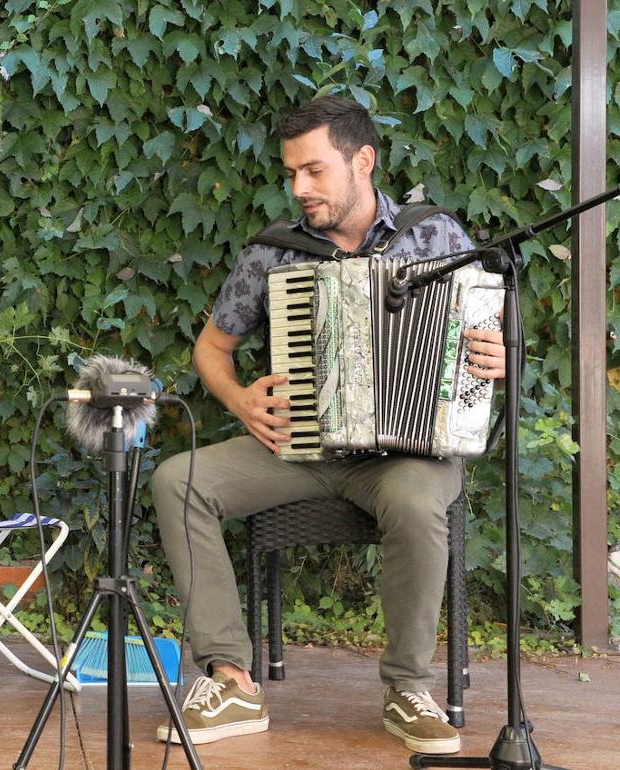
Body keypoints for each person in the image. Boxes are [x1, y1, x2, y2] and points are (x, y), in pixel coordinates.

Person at [149, 96, 505, 755]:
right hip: (301, 447)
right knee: (178, 480)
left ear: (363, 161)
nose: (299, 188)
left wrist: (499, 354)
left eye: (313, 171)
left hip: (411, 454)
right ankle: (231, 680)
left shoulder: (438, 237)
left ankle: (408, 690)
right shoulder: (273, 253)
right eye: (291, 173)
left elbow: (487, 333)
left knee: (417, 502)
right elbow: (211, 348)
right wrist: (240, 401)